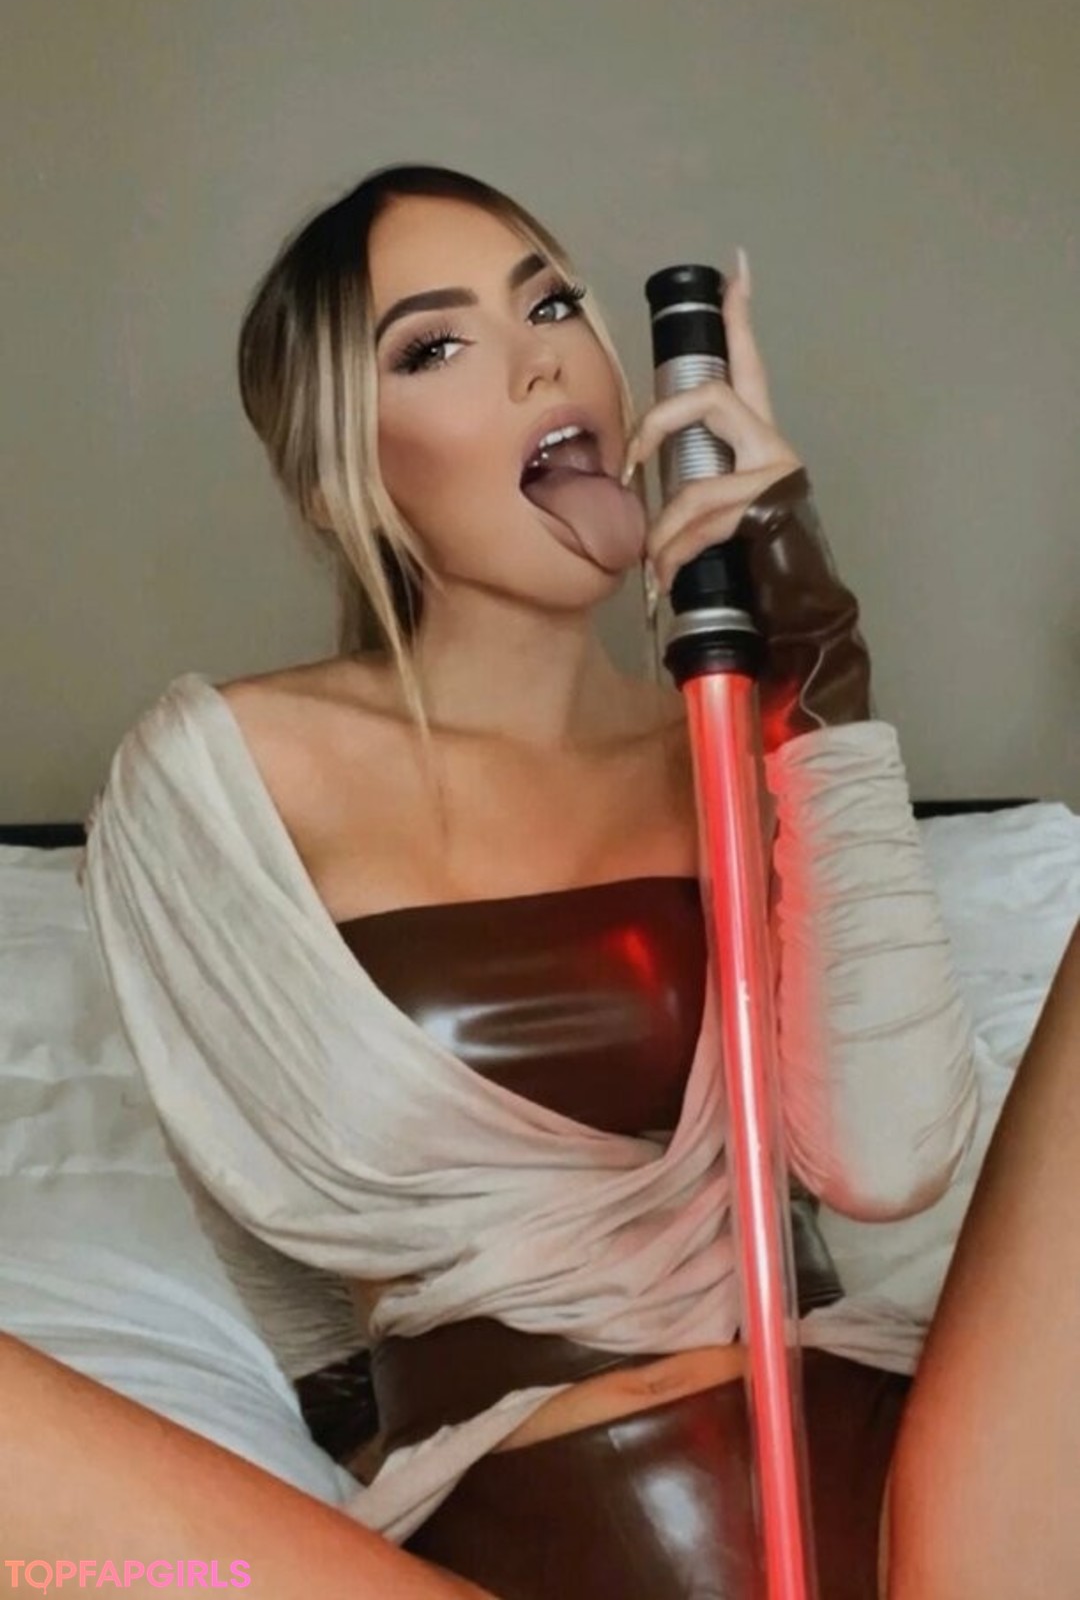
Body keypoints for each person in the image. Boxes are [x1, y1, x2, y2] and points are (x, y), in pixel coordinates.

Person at [0, 163, 1067, 1600]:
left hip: (916, 1509)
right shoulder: (225, 773)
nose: (539, 358)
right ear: (342, 477)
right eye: (437, 345)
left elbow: (883, 1165)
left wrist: (816, 656)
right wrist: (359, 1442)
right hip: (532, 1534)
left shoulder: (738, 737)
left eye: (552, 304)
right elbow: (249, 1182)